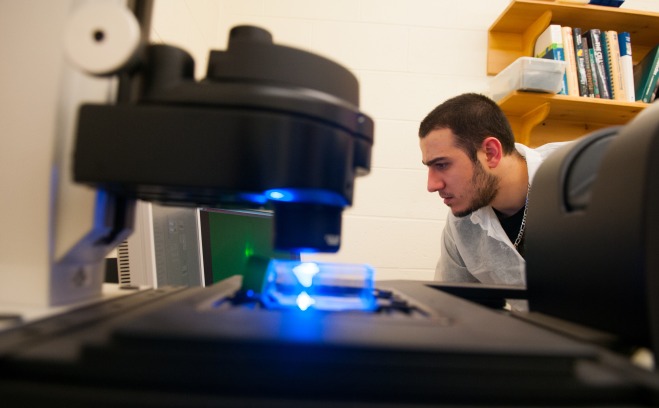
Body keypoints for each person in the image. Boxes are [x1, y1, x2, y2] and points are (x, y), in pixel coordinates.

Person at [418, 93, 565, 286]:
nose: (432, 185)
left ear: (490, 153)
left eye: (442, 165)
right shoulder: (462, 224)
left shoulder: (584, 171)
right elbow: (452, 305)